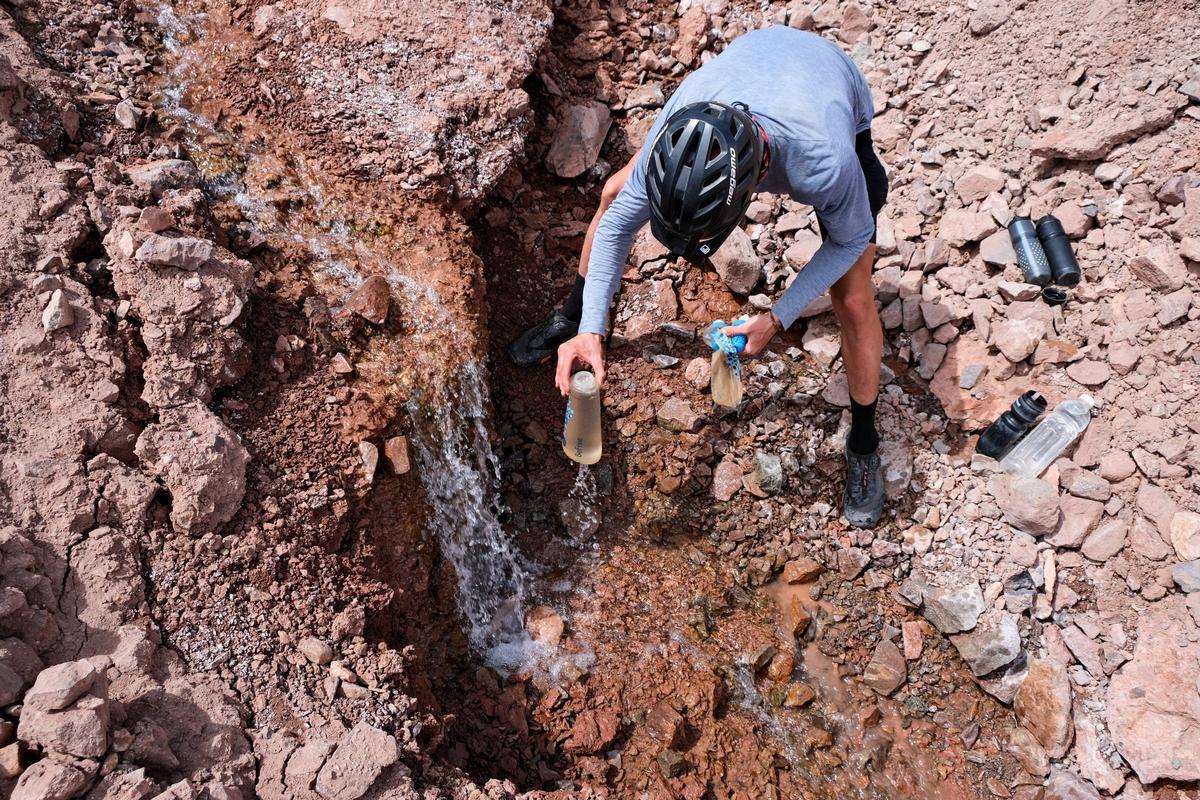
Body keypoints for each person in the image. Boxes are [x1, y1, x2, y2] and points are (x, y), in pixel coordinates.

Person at [508, 26, 890, 527]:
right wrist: (592, 329)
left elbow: (849, 240)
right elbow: (623, 220)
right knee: (613, 195)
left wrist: (777, 318)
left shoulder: (823, 163)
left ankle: (865, 441)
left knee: (854, 299)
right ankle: (575, 317)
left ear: (753, 187)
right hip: (743, 69)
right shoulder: (679, 126)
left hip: (826, 81)